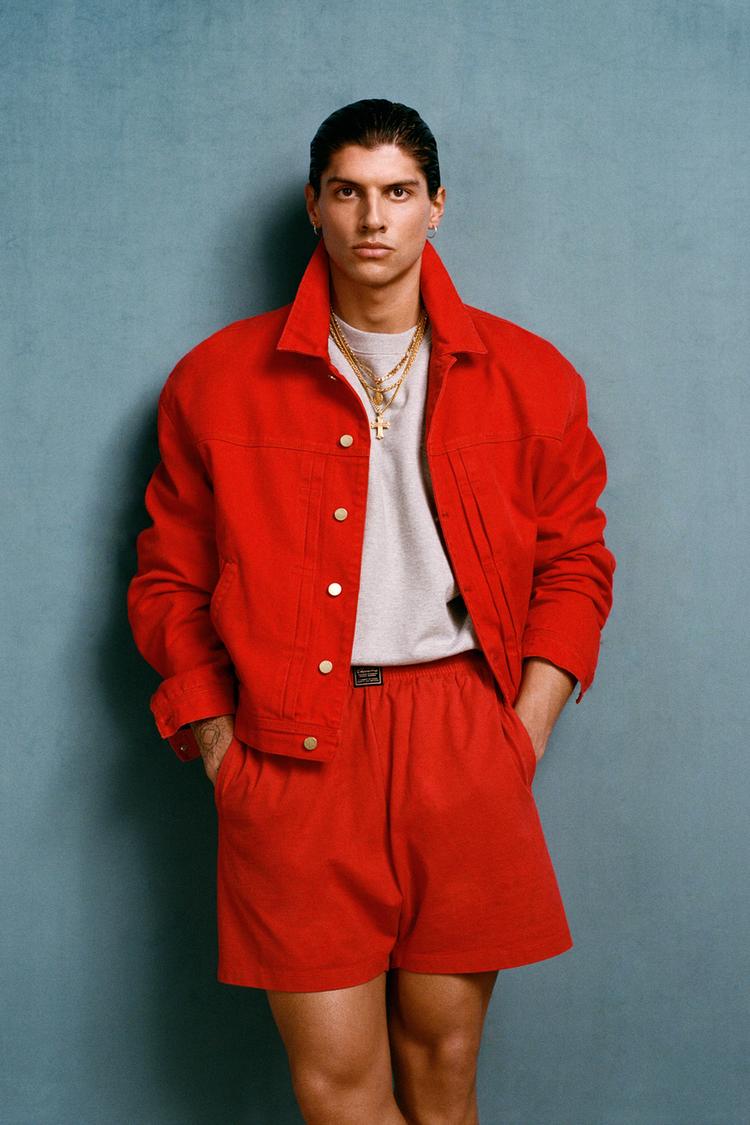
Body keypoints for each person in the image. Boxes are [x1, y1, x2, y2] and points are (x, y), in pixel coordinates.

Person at [127, 98, 616, 1124]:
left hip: (461, 738)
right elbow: (168, 580)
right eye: (348, 191)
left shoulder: (531, 377)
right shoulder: (216, 382)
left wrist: (520, 733)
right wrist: (220, 745)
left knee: (443, 1077)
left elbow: (575, 564)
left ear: (438, 205)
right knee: (341, 1095)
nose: (373, 218)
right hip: (291, 745)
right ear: (315, 205)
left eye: (397, 192)